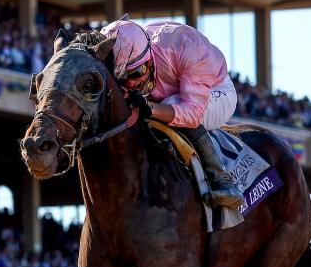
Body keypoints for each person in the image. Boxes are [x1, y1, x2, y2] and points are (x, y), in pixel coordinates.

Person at [99, 19, 245, 210]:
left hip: (216, 89)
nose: (132, 83)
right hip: (172, 90)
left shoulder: (186, 46)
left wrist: (150, 108)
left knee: (169, 105)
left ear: (149, 55)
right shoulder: (130, 45)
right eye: (125, 78)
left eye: (137, 72)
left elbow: (192, 114)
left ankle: (221, 179)